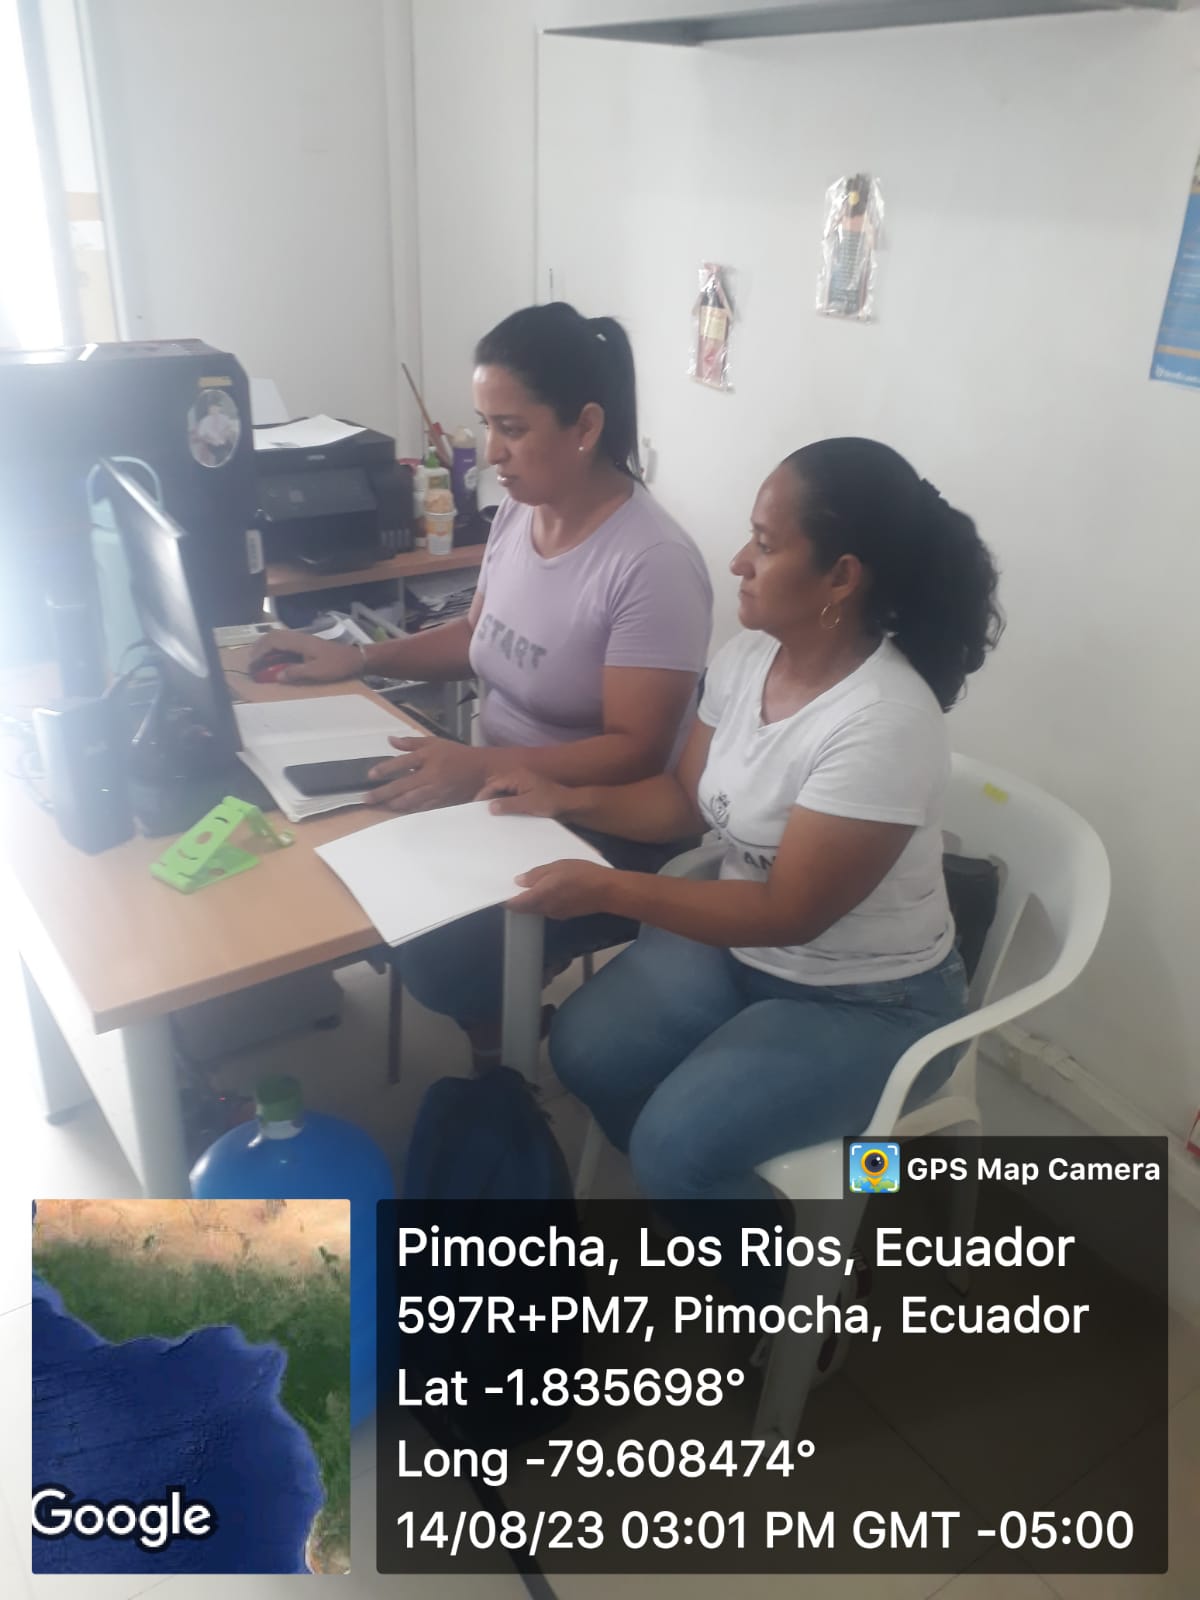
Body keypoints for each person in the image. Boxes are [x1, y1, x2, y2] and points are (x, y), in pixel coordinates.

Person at [482, 437, 1002, 1206]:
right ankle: (706, 1199)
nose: (737, 562)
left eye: (764, 544)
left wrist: (606, 887)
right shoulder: (747, 661)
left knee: (675, 1147)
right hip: (743, 953)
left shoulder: (882, 722)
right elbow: (682, 801)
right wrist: (563, 798)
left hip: (868, 1000)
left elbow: (787, 912)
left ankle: (782, 1268)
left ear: (841, 578)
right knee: (586, 1052)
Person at [251, 303, 712, 1064]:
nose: (491, 452)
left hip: (607, 823)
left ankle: (506, 1056)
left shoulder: (652, 564)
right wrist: (360, 658)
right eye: (484, 424)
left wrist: (481, 768)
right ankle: (499, 1025)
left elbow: (637, 751)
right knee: (345, 844)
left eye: (512, 428)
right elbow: (476, 637)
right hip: (500, 793)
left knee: (439, 954)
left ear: (586, 425)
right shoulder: (519, 513)